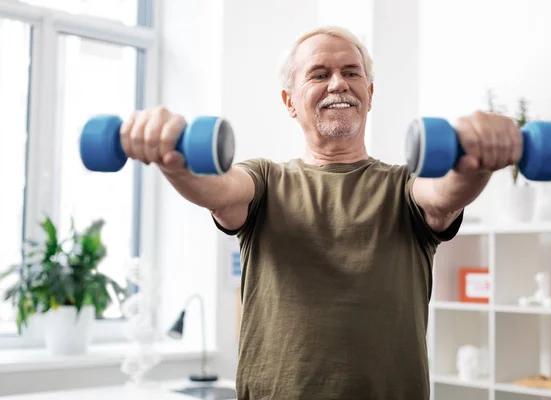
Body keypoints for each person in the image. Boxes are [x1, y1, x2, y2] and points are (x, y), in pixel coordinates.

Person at [119, 26, 523, 400]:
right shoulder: (265, 179)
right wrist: (174, 161)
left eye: (351, 72)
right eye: (318, 74)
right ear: (289, 101)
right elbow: (219, 190)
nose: (338, 84)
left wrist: (477, 161)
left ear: (370, 92)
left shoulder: (404, 185)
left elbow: (443, 196)